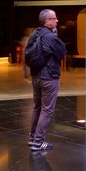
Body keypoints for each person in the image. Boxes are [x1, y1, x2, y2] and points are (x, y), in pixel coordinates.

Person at [26, 9, 67, 151]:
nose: (57, 21)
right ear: (46, 21)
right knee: (47, 110)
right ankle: (38, 141)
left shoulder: (34, 33)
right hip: (49, 77)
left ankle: (32, 139)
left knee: (37, 107)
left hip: (36, 76)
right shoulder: (50, 36)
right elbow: (62, 52)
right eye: (54, 18)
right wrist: (56, 36)